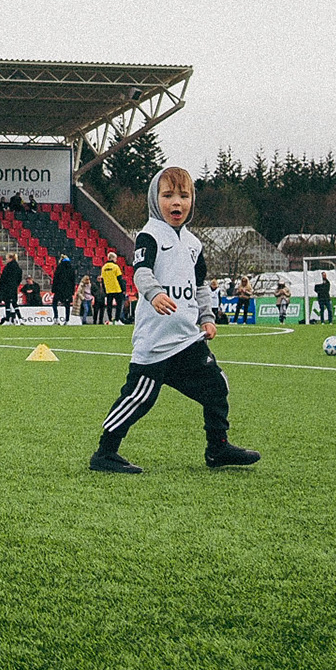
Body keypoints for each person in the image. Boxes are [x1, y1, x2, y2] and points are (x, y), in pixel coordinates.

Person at [90, 167, 259, 475]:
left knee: (216, 386)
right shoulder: (150, 234)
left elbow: (200, 285)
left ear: (192, 200)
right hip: (156, 342)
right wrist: (155, 293)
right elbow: (141, 272)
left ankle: (218, 448)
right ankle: (105, 453)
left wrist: (206, 317)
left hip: (186, 339)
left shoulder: (194, 244)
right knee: (139, 398)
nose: (176, 202)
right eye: (168, 195)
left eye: (184, 195)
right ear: (155, 200)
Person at [0, 255, 23, 324]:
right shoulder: (18, 268)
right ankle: (20, 319)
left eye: (7, 259)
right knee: (14, 303)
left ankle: (8, 319)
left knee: (7, 303)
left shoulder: (7, 267)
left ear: (11, 259)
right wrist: (15, 285)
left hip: (7, 288)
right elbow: (19, 278)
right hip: (14, 288)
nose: (6, 260)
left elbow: (4, 278)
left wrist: (1, 286)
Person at [52, 255, 77, 325]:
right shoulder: (71, 269)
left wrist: (53, 289)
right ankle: (67, 320)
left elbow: (55, 279)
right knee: (67, 305)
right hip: (68, 290)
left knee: (54, 303)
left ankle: (56, 318)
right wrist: (72, 291)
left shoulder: (59, 267)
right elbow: (73, 281)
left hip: (59, 289)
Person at [99, 257, 124, 325]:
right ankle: (117, 319)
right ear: (113, 258)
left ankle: (110, 319)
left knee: (109, 306)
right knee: (119, 305)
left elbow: (103, 280)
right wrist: (123, 289)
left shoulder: (103, 268)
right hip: (117, 289)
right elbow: (120, 279)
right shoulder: (115, 267)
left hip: (108, 290)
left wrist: (104, 290)